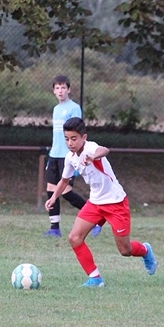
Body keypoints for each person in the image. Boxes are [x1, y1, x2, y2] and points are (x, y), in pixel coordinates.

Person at [45, 117, 158, 287]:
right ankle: (95, 278)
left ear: (84, 137)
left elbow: (104, 150)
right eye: (67, 139)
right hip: (96, 203)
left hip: (115, 203)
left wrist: (92, 157)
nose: (70, 143)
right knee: (75, 238)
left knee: (125, 250)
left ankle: (145, 250)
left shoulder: (90, 147)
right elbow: (64, 181)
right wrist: (54, 197)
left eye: (74, 138)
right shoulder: (70, 158)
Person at [44, 75, 101, 238]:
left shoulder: (74, 108)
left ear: (68, 89)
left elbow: (77, 132)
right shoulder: (56, 109)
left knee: (66, 191)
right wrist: (51, 153)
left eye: (63, 87)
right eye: (57, 88)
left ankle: (96, 218)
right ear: (54, 91)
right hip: (54, 155)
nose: (60, 91)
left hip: (67, 156)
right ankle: (54, 228)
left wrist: (78, 153)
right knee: (51, 189)